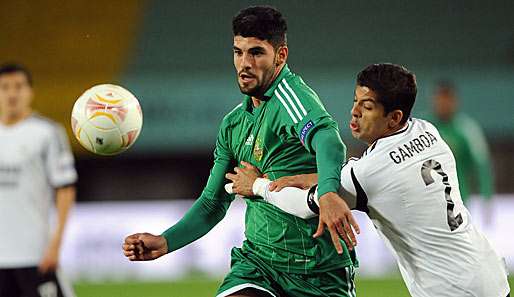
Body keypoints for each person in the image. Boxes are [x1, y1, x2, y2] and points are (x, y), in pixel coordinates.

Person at [123, 6, 359, 297]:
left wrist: (328, 192)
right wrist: (165, 242)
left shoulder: (291, 98)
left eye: (256, 53)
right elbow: (213, 203)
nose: (244, 63)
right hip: (258, 264)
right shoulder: (233, 124)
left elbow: (329, 140)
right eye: (238, 52)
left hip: (317, 270)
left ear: (280, 56)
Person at [227, 64, 510, 297]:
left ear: (394, 117)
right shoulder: (427, 130)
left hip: (452, 290)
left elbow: (308, 205)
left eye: (368, 106)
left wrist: (257, 186)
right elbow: (364, 172)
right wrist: (309, 176)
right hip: (489, 274)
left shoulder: (372, 172)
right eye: (355, 102)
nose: (355, 112)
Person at [0, 63, 78, 297]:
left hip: (35, 253)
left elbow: (65, 188)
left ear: (30, 91)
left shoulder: (47, 133)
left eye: (19, 86)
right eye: (4, 87)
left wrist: (56, 244)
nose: (12, 93)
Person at [428, 81, 494, 221]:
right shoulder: (424, 127)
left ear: (455, 101)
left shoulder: (467, 129)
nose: (443, 104)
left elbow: (482, 165)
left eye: (447, 99)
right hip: (425, 204)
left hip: (457, 204)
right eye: (439, 99)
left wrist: (487, 198)